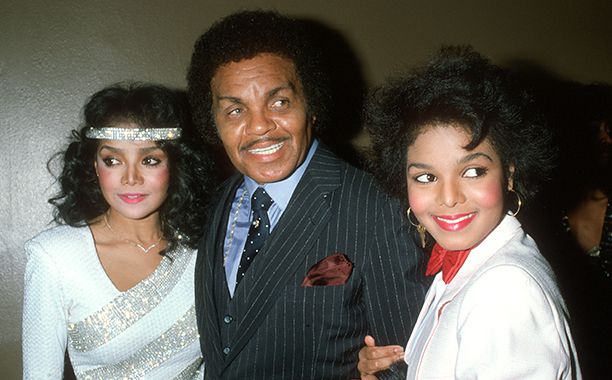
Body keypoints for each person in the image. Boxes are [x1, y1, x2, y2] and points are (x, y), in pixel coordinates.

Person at [187, 10, 427, 379]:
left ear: (310, 104)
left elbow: (404, 361)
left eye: (279, 102)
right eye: (235, 110)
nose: (259, 126)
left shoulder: (377, 207)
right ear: (214, 123)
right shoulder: (214, 203)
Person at [358, 46, 581, 379]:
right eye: (426, 177)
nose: (449, 197)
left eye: (473, 171)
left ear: (508, 174)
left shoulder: (506, 290)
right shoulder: (467, 261)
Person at [22, 83, 214, 379]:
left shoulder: (205, 249)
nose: (131, 178)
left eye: (150, 160)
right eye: (113, 160)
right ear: (94, 166)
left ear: (175, 164)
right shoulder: (54, 257)